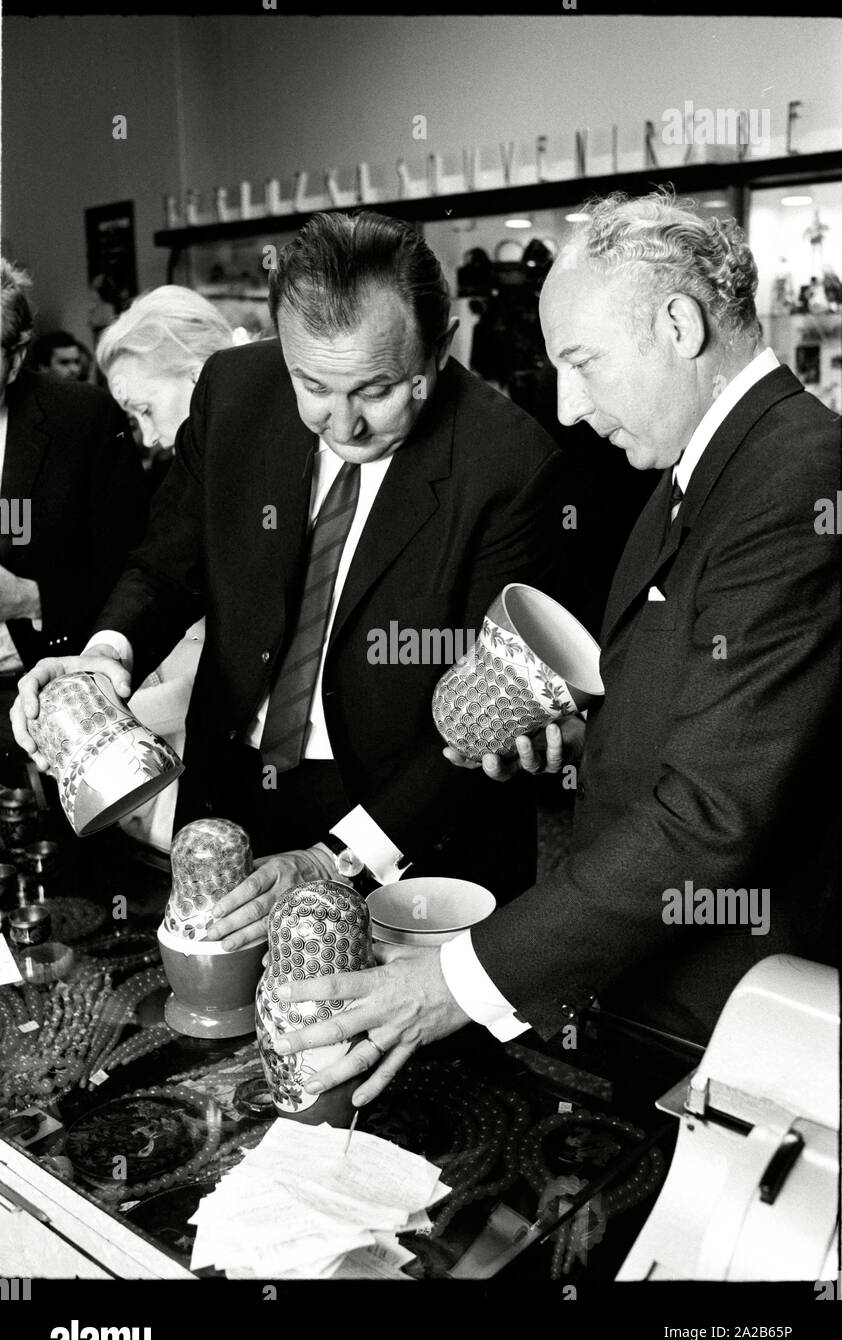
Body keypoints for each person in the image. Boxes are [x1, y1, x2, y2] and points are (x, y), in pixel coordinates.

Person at [241, 188, 840, 1107]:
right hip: (660, 987)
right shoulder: (697, 469)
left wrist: (453, 984)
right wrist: (581, 739)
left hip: (735, 1003)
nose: (566, 405)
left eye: (584, 362)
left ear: (678, 325)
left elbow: (710, 817)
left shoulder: (795, 477)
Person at [12, 211, 569, 912]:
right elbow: (165, 564)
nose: (343, 425)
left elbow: (482, 719)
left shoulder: (510, 463)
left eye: (376, 389)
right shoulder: (234, 391)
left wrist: (335, 859)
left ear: (440, 346)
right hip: (232, 784)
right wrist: (106, 655)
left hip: (405, 821)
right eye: (314, 387)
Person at [92, 285, 236, 851]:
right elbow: (159, 572)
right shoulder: (190, 477)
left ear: (201, 376)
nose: (149, 437)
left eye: (146, 410)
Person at [0, 259, 147, 748]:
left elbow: (140, 567)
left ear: (16, 356)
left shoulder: (83, 420)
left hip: (53, 694)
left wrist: (30, 596)